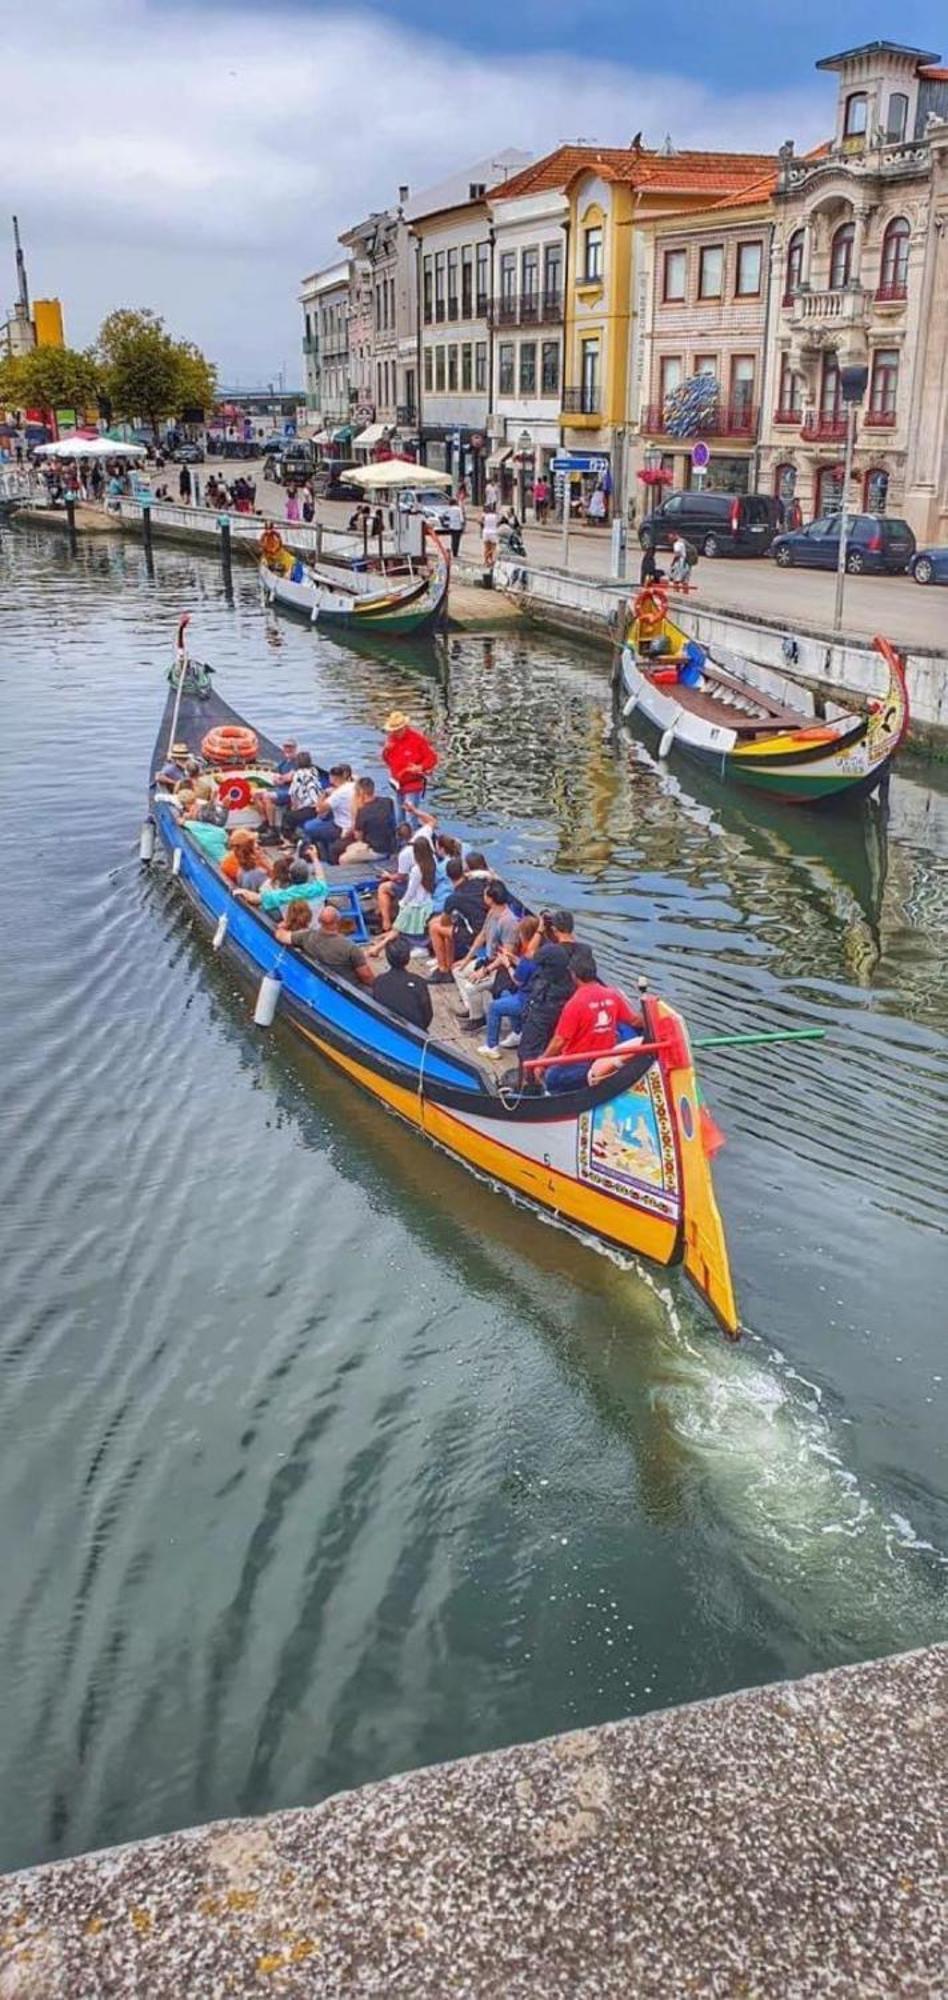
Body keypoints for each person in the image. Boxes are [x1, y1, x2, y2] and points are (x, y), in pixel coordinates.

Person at [541, 948, 642, 1093]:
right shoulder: (613, 995)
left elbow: (559, 1041)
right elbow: (634, 1021)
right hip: (605, 1059)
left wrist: (542, 1062)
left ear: (573, 975)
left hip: (578, 1064)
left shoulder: (575, 1004)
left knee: (551, 1078)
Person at [517, 911, 581, 1078]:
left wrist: (539, 930)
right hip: (568, 1005)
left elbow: (529, 953)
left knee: (528, 1049)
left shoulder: (551, 951)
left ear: (553, 929)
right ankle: (545, 1078)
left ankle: (528, 1084)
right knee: (551, 1045)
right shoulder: (584, 951)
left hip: (545, 1006)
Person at [477, 915, 540, 1057]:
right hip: (531, 995)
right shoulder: (538, 954)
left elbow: (518, 980)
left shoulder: (528, 957)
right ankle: (518, 1032)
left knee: (494, 1007)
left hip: (526, 999)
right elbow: (528, 969)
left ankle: (491, 1046)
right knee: (506, 994)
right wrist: (513, 959)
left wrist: (507, 964)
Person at [279, 902, 374, 987]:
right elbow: (366, 976)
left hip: (319, 981)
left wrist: (283, 925)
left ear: (319, 921)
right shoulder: (351, 947)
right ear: (338, 921)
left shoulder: (305, 936)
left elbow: (281, 936)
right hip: (350, 988)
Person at [369, 836, 437, 955]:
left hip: (415, 903)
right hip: (426, 900)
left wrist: (403, 902)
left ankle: (378, 948)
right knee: (398, 927)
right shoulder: (432, 863)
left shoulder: (417, 869)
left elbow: (411, 890)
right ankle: (380, 946)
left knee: (398, 927)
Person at [426, 855, 487, 981]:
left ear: (449, 877)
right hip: (484, 925)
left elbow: (444, 922)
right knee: (447, 926)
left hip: (475, 933)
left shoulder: (453, 898)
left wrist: (448, 920)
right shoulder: (477, 883)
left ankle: (443, 969)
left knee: (434, 927)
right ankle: (448, 963)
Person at [372, 934, 433, 1032]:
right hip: (415, 1033)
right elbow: (427, 1015)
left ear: (387, 957)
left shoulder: (379, 980)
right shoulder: (419, 982)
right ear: (408, 958)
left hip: (385, 1028)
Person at [300, 763, 357, 861]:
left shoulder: (338, 794)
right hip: (351, 823)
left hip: (342, 827)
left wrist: (324, 793)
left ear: (332, 778)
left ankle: (316, 856)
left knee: (309, 827)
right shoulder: (354, 785)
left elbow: (319, 809)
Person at [333, 777, 397, 863]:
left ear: (360, 792)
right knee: (348, 848)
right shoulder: (388, 801)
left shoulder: (362, 812)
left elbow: (358, 837)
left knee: (343, 858)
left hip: (375, 850)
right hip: (390, 845)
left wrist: (355, 807)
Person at [381, 711, 438, 808]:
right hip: (397, 785)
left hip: (413, 784)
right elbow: (387, 761)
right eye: (393, 731)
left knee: (410, 816)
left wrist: (420, 767)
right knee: (399, 816)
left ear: (404, 728)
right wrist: (386, 751)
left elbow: (432, 758)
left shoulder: (417, 739)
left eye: (397, 730)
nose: (395, 733)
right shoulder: (391, 740)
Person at [282, 750, 324, 834]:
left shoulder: (298, 775)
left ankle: (288, 839)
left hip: (309, 808)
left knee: (287, 816)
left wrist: (294, 808)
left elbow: (293, 794)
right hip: (318, 806)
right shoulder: (314, 771)